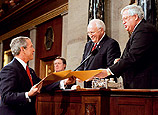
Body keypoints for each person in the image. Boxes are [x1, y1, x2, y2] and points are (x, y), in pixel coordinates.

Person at [0, 36, 75, 115]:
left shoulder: (30, 71)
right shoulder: (9, 69)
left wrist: (64, 83)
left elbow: (42, 85)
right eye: (31, 47)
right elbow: (6, 96)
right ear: (23, 50)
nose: (34, 50)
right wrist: (28, 94)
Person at [92, 5, 158, 89]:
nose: (123, 22)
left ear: (135, 17)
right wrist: (121, 61)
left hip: (145, 85)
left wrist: (109, 71)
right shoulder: (139, 30)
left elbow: (133, 56)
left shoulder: (144, 30)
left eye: (126, 18)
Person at [78, 19, 121, 88]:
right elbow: (83, 62)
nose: (90, 35)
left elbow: (112, 68)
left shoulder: (111, 44)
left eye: (92, 32)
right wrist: (78, 74)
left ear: (101, 30)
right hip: (88, 87)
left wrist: (94, 76)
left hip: (103, 87)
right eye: (88, 33)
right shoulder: (88, 45)